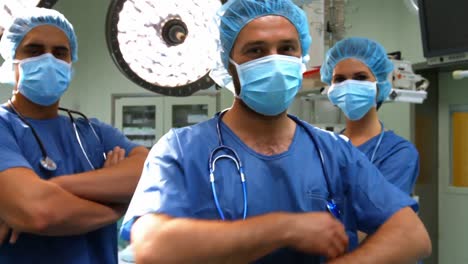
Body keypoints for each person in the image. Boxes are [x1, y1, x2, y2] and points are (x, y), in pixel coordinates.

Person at [122, 0, 431, 263]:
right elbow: (151, 245)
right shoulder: (182, 149)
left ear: (302, 59)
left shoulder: (333, 152)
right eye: (256, 51)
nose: (274, 61)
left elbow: (411, 234)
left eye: (287, 49)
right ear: (227, 64)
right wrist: (282, 229)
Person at [0, 8, 149, 264]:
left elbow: (149, 175)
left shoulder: (93, 131)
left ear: (71, 63)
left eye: (60, 53)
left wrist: (51, 188)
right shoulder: (5, 126)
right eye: (34, 50)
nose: (48, 60)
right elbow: (40, 212)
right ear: (12, 59)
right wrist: (117, 205)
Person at [321, 37, 419, 195]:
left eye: (360, 77)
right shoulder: (325, 148)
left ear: (379, 86)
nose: (348, 85)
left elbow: (383, 210)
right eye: (339, 79)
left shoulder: (398, 152)